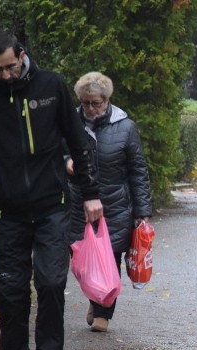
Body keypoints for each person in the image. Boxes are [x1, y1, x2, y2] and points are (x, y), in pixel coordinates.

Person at [0, 31, 102, 350]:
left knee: (52, 284)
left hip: (52, 205)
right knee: (11, 290)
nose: (6, 75)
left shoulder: (51, 85)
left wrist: (90, 194)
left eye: (11, 66)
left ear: (22, 55)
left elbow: (78, 140)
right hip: (7, 210)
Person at [68, 72, 152, 333]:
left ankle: (104, 310)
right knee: (81, 258)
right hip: (77, 203)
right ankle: (95, 296)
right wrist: (64, 162)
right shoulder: (69, 122)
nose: (91, 109)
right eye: (85, 103)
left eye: (96, 103)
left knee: (109, 258)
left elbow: (138, 170)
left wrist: (142, 211)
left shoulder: (125, 127)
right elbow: (54, 150)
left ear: (107, 100)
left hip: (114, 205)